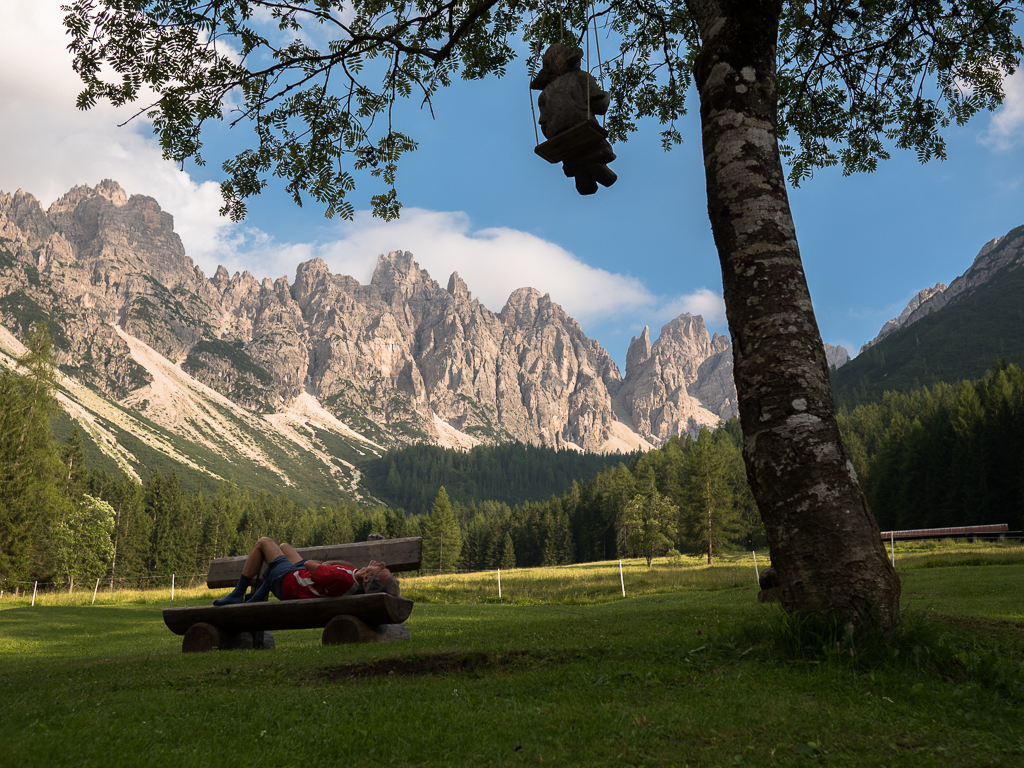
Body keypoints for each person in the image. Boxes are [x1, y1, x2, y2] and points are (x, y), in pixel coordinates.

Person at [214, 537, 400, 605]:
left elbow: (311, 565)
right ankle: (259, 595)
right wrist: (360, 570)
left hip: (289, 582)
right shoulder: (355, 582)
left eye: (381, 568)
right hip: (301, 579)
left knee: (264, 542)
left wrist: (325, 566)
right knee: (285, 547)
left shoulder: (341, 578)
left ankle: (238, 594)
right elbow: (338, 569)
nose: (382, 563)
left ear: (367, 579)